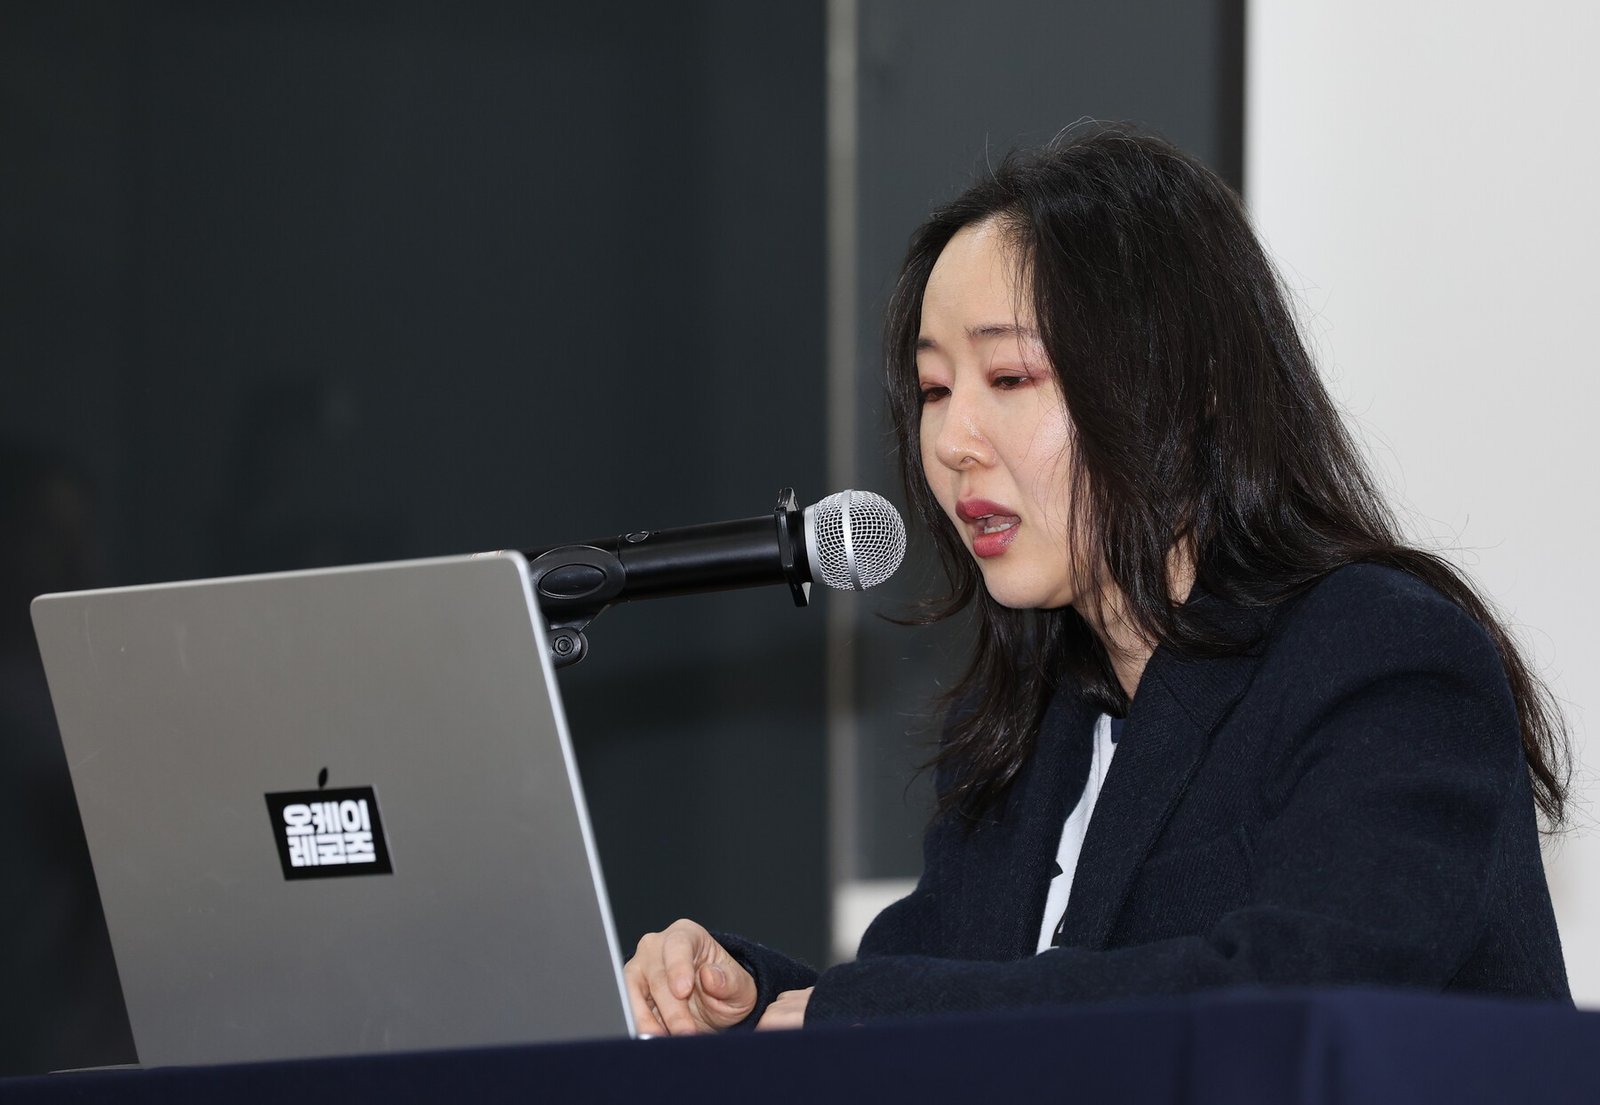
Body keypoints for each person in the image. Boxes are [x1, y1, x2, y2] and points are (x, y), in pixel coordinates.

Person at [623, 124, 1571, 1034]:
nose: (951, 442)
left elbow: (1293, 994)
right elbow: (928, 987)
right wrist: (745, 999)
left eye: (1009, 377)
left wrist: (869, 1014)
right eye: (936, 389)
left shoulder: (1382, 657)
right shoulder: (1027, 723)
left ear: (1187, 388)